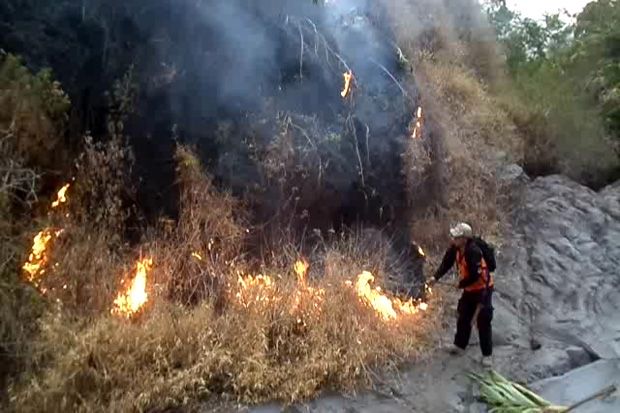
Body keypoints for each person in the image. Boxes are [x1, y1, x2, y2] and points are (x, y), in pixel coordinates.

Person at [428, 222, 494, 367]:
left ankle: (487, 355)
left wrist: (460, 284)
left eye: (457, 237)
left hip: (483, 290)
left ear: (464, 239)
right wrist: (435, 277)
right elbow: (446, 264)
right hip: (469, 290)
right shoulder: (455, 249)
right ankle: (459, 346)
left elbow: (475, 276)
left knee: (483, 321)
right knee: (463, 316)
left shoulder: (473, 252)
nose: (454, 239)